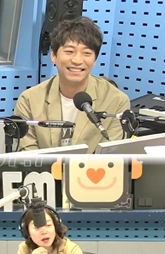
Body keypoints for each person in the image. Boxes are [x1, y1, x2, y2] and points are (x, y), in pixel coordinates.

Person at [14, 17, 130, 153]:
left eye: (87, 53)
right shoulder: (29, 100)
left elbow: (109, 153)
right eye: (69, 51)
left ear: (95, 60)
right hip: (44, 167)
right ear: (53, 55)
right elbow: (28, 153)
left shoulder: (116, 101)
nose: (77, 60)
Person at [14, 205, 92, 254]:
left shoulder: (70, 249)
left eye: (48, 225)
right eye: (37, 227)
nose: (44, 232)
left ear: (55, 227)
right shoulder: (23, 249)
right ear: (27, 232)